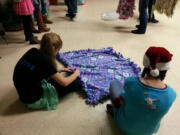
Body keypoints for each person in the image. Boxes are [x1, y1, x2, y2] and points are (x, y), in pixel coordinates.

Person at [106, 46, 176, 135]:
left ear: (146, 64)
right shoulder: (172, 94)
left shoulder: (131, 82)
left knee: (114, 84)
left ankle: (115, 112)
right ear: (166, 69)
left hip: (123, 125)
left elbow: (121, 101)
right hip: (149, 132)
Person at [13, 33, 81, 110]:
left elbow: (38, 69)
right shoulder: (46, 62)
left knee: (55, 79)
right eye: (58, 50)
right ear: (55, 49)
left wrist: (60, 70)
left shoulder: (32, 51)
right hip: (32, 99)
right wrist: (76, 73)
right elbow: (64, 83)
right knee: (76, 82)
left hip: (23, 93)